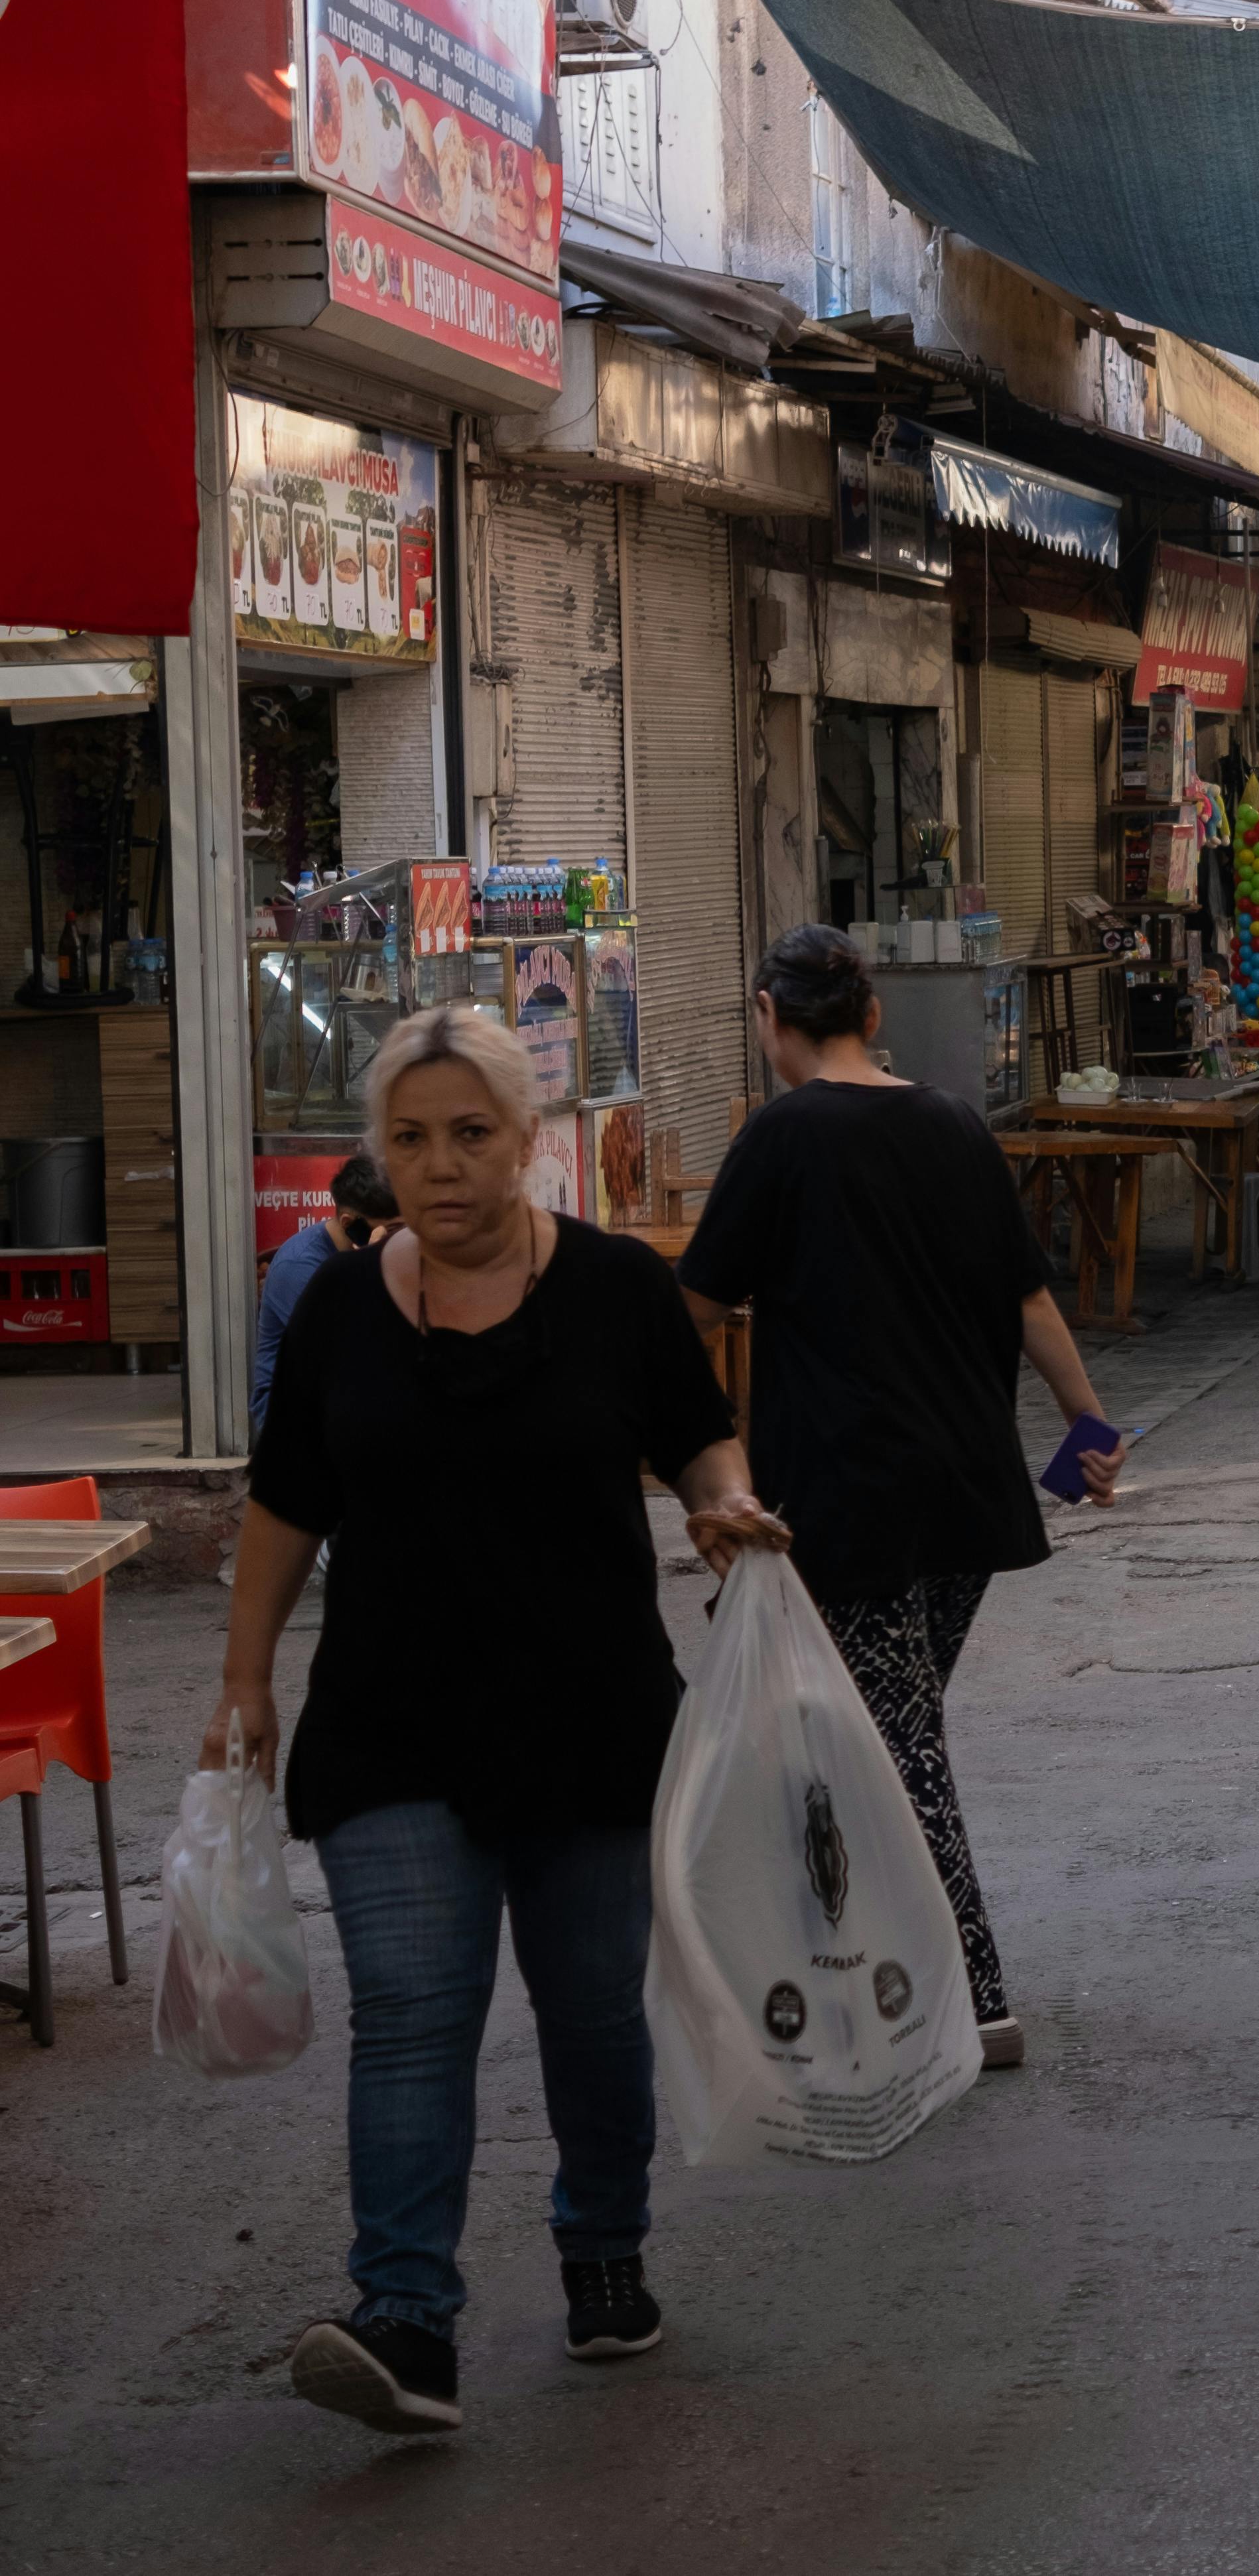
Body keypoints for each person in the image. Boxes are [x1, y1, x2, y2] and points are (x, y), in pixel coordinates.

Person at [212, 1004, 784, 2439]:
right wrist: (244, 1681)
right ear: (379, 1157)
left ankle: (604, 2252)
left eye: (471, 1134)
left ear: (533, 1144)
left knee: (591, 2015)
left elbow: (693, 1434)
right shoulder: (340, 1307)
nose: (441, 1165)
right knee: (411, 2013)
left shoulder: (614, 1292)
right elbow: (286, 1503)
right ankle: (405, 2317)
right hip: (390, 1721)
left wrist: (722, 1504)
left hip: (588, 1716)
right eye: (410, 1139)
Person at [680, 926, 1124, 2075]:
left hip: (845, 1496)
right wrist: (1087, 1423)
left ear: (772, 1014)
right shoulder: (954, 1124)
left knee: (892, 1744)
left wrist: (671, 1442)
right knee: (866, 1738)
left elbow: (698, 1311)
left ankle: (970, 1998)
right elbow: (1028, 1298)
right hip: (965, 1491)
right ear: (870, 1015)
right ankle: (850, 1979)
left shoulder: (778, 1137)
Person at [250, 1151, 395, 1436]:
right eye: (391, 1230)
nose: (401, 1237)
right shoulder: (300, 1267)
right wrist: (372, 1267)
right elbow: (349, 1354)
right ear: (348, 1224)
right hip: (291, 1406)